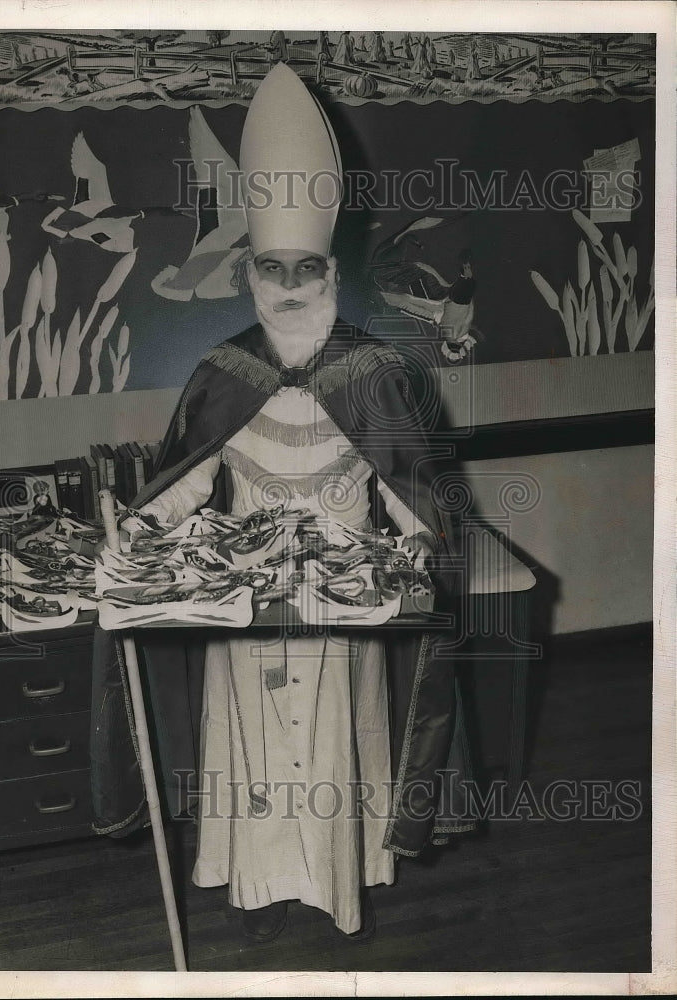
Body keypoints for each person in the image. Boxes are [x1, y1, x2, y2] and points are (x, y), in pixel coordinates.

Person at [90, 62, 473, 945]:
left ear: (329, 270)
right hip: (246, 598)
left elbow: (408, 492)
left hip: (345, 610)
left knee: (336, 752)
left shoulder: (379, 373)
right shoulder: (225, 373)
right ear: (251, 271)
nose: (292, 284)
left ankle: (340, 883)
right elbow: (187, 475)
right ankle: (260, 883)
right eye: (274, 267)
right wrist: (141, 526)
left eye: (308, 267)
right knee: (255, 753)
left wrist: (416, 548)